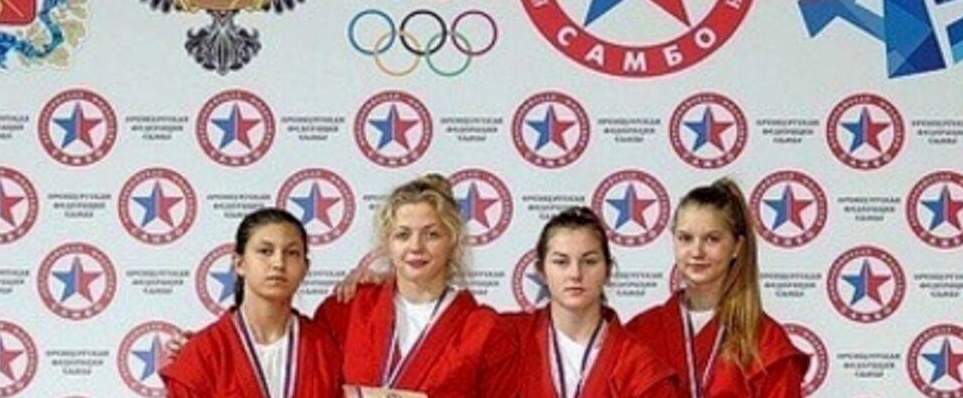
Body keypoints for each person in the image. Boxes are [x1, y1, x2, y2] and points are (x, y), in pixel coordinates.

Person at [314, 173, 518, 397]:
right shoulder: (345, 311)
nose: (416, 246)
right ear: (388, 243)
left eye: (431, 235)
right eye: (403, 235)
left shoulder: (485, 330)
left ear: (453, 242)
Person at [626, 178, 808, 398]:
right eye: (685, 238)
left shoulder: (767, 342)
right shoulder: (640, 332)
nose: (696, 251)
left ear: (736, 246)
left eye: (712, 239)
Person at [160, 208, 342, 397]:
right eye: (265, 251)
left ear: (305, 268)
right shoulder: (202, 352)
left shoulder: (326, 349)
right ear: (239, 263)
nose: (278, 263)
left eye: (292, 253)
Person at [506, 206, 680, 397]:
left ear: (608, 270)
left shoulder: (640, 367)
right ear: (541, 271)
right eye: (561, 262)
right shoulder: (510, 340)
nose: (575, 274)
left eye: (589, 261)